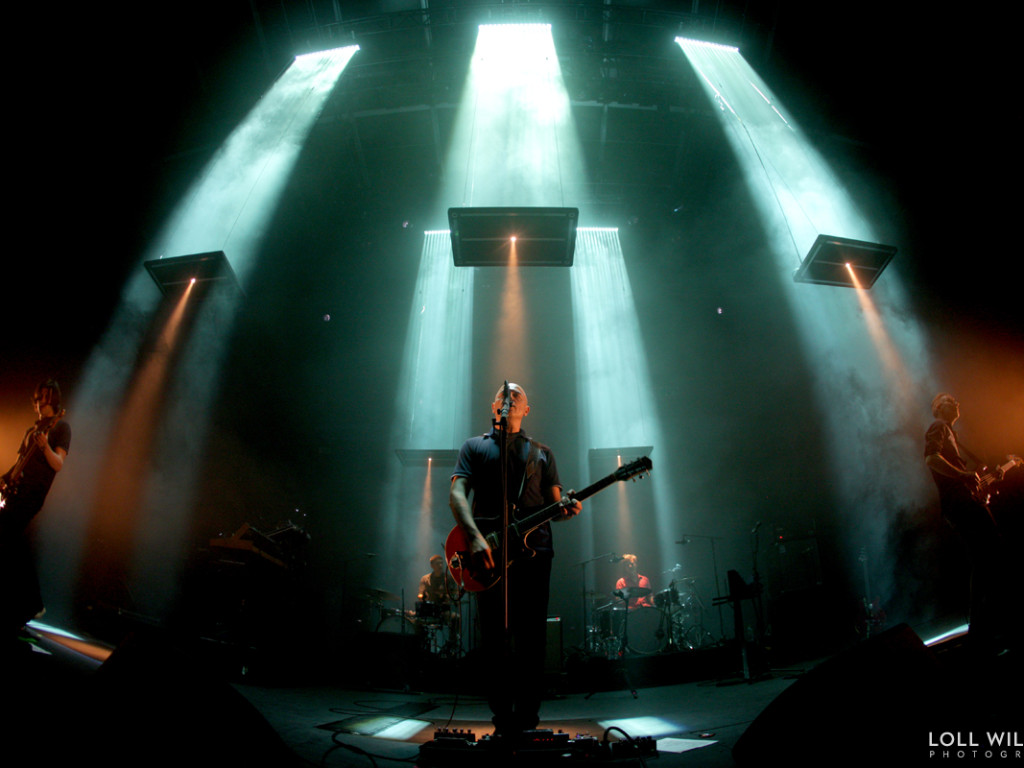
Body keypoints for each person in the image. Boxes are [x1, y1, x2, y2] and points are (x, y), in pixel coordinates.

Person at [449, 382, 580, 738]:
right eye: (503, 395)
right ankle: (501, 718)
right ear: (495, 407)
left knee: (532, 636)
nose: (510, 397)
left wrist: (566, 510)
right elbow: (456, 492)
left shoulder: (542, 453)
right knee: (494, 635)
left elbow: (556, 505)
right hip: (486, 553)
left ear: (527, 409)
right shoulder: (474, 447)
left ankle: (528, 719)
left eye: (517, 395)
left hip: (534, 552)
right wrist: (474, 537)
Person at [924, 393, 1011, 658]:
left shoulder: (951, 433)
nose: (958, 402)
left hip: (963, 502)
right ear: (939, 408)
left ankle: (981, 635)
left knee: (984, 562)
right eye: (950, 400)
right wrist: (963, 474)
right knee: (992, 556)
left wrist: (983, 480)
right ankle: (985, 634)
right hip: (960, 504)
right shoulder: (938, 427)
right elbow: (931, 458)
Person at [0, 380, 71, 637]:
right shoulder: (32, 429)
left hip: (32, 497)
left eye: (42, 397)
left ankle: (33, 603)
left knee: (11, 543)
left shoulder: (61, 427)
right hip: (16, 494)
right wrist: (4, 478)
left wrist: (45, 447)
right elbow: (20, 462)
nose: (37, 402)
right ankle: (21, 606)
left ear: (51, 399)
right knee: (12, 547)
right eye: (36, 398)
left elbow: (58, 464)